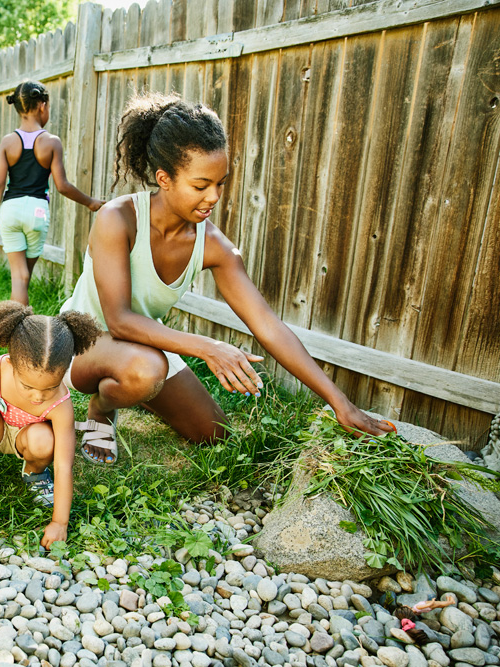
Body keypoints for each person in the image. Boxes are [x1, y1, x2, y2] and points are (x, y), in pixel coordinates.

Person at [61, 93, 395, 464]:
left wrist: (340, 403)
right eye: (201, 185)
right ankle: (103, 408)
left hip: (143, 348)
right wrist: (207, 347)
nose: (214, 197)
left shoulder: (215, 247)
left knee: (215, 434)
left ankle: (132, 387)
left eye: (220, 184)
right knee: (147, 370)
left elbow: (268, 325)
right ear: (164, 179)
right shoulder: (117, 219)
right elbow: (119, 320)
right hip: (82, 342)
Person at [0, 301, 101, 547]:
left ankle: (35, 474)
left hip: (29, 439)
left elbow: (64, 466)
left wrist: (59, 523)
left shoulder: (61, 406)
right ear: (11, 365)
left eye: (50, 387)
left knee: (44, 441)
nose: (37, 396)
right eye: (28, 386)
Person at [0, 81, 105, 306]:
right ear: (42, 105)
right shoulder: (51, 142)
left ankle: (11, 329)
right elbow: (62, 186)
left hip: (10, 211)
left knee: (19, 278)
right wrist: (90, 202)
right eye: (48, 107)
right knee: (24, 278)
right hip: (37, 212)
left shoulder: (8, 142)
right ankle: (19, 332)